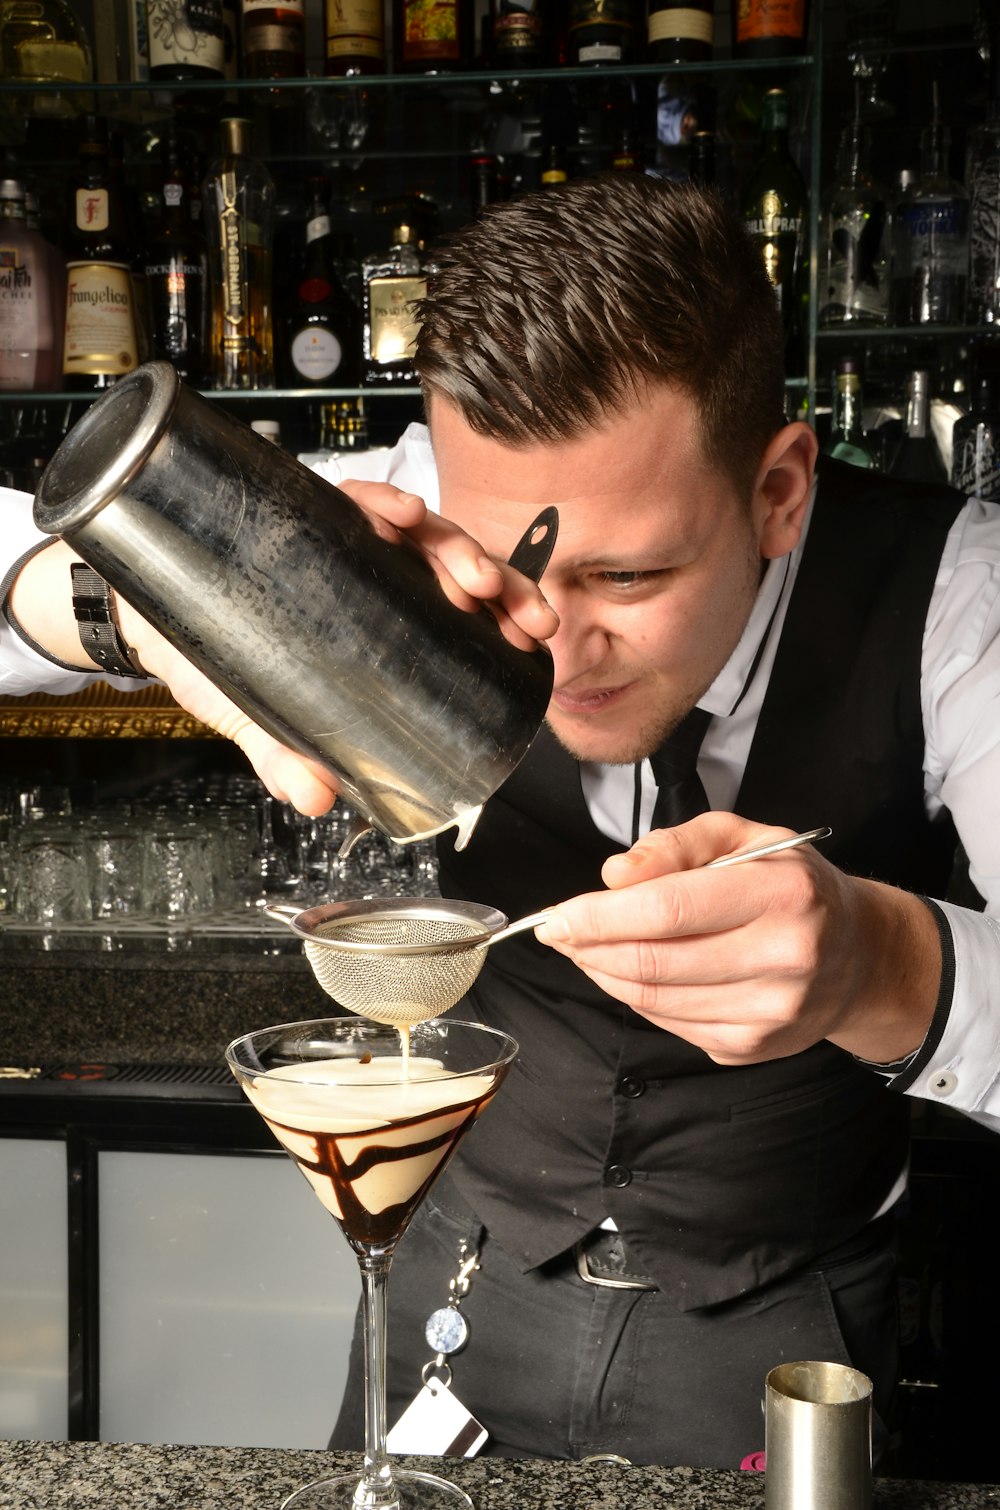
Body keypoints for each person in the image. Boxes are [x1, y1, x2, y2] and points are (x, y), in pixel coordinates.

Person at [2, 175, 999, 1468]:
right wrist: (141, 607)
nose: (563, 643)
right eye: (520, 564)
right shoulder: (428, 491)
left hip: (779, 1337)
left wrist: (887, 965)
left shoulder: (956, 597)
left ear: (780, 490)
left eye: (630, 573)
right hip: (453, 1304)